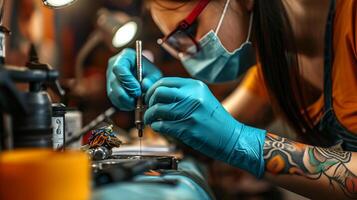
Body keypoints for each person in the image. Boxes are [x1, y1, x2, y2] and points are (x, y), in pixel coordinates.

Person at [106, 0, 357, 198]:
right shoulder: (275, 67)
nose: (185, 57)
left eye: (186, 32)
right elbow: (208, 130)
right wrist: (155, 99)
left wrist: (238, 141)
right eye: (174, 45)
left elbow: (227, 133)